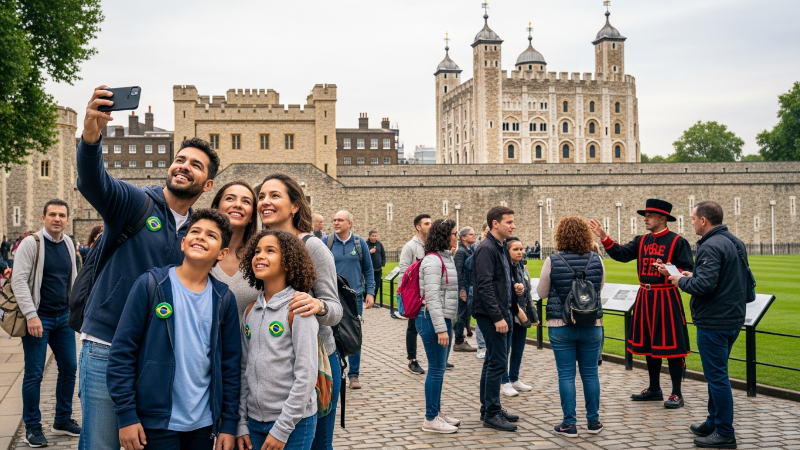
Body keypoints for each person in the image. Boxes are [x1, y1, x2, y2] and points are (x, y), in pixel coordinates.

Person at [77, 86, 219, 449]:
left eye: (195, 165)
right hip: (106, 345)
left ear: (208, 184)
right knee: (100, 445)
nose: (184, 167)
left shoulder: (198, 234)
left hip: (156, 355)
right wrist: (91, 136)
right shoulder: (135, 202)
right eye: (181, 160)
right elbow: (94, 182)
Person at [107, 209, 240, 450]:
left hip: (203, 424)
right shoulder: (151, 285)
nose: (200, 237)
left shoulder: (224, 299)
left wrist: (229, 423)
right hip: (155, 422)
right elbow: (122, 352)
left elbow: (230, 366)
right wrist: (126, 414)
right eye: (195, 231)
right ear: (183, 242)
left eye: (211, 235)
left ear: (222, 253)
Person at [257, 172, 342, 450]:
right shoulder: (260, 246)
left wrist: (318, 305)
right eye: (261, 196)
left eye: (274, 195)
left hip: (317, 365)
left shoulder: (312, 246)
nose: (265, 202)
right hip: (275, 367)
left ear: (295, 205)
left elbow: (335, 310)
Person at [589, 199, 694, 409]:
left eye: (650, 215)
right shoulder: (642, 240)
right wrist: (604, 237)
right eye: (645, 215)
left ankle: (676, 393)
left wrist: (670, 271)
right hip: (645, 297)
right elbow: (621, 254)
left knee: (673, 347)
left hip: (666, 298)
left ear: (663, 218)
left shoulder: (677, 241)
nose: (645, 219)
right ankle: (654, 388)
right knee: (649, 345)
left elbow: (690, 271)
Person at [668, 201, 748, 449]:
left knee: (717, 378)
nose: (691, 222)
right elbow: (723, 278)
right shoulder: (734, 241)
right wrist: (694, 275)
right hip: (732, 317)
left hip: (714, 321)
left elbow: (704, 287)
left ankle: (725, 432)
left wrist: (679, 280)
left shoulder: (710, 245)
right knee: (718, 374)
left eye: (692, 218)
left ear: (704, 220)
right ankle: (714, 421)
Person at [237, 229, 320, 450]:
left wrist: (282, 429)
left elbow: (306, 375)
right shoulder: (250, 311)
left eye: (270, 251)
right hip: (254, 423)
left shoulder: (298, 309)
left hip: (294, 424)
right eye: (256, 251)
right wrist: (242, 423)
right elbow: (244, 369)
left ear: (288, 261)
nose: (259, 256)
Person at [13, 199, 80, 447]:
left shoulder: (69, 242)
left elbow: (72, 279)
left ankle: (62, 419)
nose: (57, 219)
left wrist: (75, 312)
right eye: (52, 214)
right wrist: (31, 315)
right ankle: (32, 426)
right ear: (43, 218)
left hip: (63, 319)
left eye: (62, 215)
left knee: (70, 368)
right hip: (38, 320)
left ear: (67, 220)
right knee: (34, 374)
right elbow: (18, 282)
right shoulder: (31, 244)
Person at [537, 217, 605, 438]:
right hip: (591, 322)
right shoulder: (596, 259)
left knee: (566, 375)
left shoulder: (553, 260)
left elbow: (542, 293)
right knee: (590, 373)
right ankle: (593, 422)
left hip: (561, 323)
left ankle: (569, 423)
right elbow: (599, 288)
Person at [473, 206, 519, 432]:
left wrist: (514, 304)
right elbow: (484, 286)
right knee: (498, 363)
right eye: (509, 222)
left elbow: (502, 282)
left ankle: (489, 407)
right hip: (493, 316)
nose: (513, 225)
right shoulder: (486, 248)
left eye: (513, 222)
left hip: (503, 312)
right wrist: (497, 317)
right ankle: (491, 413)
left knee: (493, 361)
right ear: (495, 223)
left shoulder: (500, 246)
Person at [417, 219, 461, 433]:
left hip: (443, 318)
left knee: (440, 369)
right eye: (454, 233)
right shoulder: (434, 261)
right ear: (445, 236)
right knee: (435, 369)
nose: (457, 237)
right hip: (433, 320)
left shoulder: (446, 258)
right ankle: (430, 418)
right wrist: (441, 328)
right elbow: (432, 297)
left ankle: (436, 411)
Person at [323, 210, 375, 389]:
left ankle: (354, 374)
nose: (336, 223)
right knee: (330, 333)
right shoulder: (326, 242)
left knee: (353, 333)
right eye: (334, 219)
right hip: (331, 296)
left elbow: (368, 269)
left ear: (349, 223)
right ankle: (334, 370)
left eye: (340, 220)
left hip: (354, 297)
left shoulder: (359, 243)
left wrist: (370, 292)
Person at [210, 180, 261, 314]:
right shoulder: (199, 252)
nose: (237, 205)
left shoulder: (261, 257)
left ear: (252, 216)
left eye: (246, 201)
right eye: (230, 198)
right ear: (216, 208)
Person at [501, 237, 538, 397]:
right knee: (505, 349)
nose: (520, 252)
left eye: (521, 249)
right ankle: (504, 381)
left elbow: (528, 292)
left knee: (518, 348)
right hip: (509, 312)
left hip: (521, 312)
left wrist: (533, 315)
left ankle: (514, 377)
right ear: (507, 251)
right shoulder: (504, 267)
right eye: (515, 249)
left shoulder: (522, 267)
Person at [399, 214, 432, 375]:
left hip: (431, 292)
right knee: (413, 327)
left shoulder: (432, 245)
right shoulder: (410, 247)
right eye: (427, 223)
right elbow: (404, 271)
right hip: (416, 294)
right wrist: (402, 295)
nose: (430, 225)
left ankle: (438, 358)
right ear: (418, 227)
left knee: (433, 324)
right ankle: (412, 360)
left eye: (431, 223)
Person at [453, 227, 477, 353]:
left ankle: (460, 339)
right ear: (463, 237)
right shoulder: (461, 252)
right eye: (471, 234)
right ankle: (458, 341)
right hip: (465, 287)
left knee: (465, 315)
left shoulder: (469, 250)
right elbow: (459, 271)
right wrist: (462, 289)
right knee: (462, 315)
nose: (474, 236)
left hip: (469, 286)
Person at [367, 230, 386, 299]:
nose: (374, 237)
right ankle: (366, 299)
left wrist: (383, 264)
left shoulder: (379, 244)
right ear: (369, 236)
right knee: (369, 285)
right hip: (369, 268)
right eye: (373, 236)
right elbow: (362, 255)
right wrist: (369, 252)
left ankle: (373, 301)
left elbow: (383, 255)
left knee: (377, 285)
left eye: (375, 236)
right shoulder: (366, 244)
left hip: (378, 268)